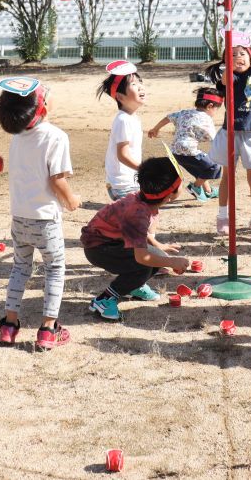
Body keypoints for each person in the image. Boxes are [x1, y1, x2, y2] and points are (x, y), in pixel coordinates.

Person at [0, 78, 81, 351]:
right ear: (40, 106)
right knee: (54, 270)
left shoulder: (17, 137)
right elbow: (57, 180)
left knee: (20, 268)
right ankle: (47, 329)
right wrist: (72, 200)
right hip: (46, 221)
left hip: (19, 218)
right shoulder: (56, 136)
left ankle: (9, 325)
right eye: (46, 92)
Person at [81, 157, 190, 320]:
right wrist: (173, 262)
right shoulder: (138, 214)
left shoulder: (144, 200)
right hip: (99, 248)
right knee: (147, 263)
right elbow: (143, 256)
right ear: (169, 195)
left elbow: (138, 234)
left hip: (111, 242)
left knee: (156, 256)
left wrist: (157, 245)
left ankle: (133, 286)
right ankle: (104, 299)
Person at [203, 31, 251, 242]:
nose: (238, 57)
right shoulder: (228, 77)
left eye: (242, 53)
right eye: (232, 55)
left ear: (250, 55)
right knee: (227, 176)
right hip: (229, 131)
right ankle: (223, 217)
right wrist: (228, 64)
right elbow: (224, 79)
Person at [146, 87, 223, 201]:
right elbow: (215, 139)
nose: (215, 113)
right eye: (216, 109)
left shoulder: (185, 112)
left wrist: (156, 128)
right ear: (210, 106)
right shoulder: (206, 119)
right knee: (213, 166)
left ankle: (208, 191)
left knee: (201, 171)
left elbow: (168, 117)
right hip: (189, 151)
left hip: (175, 153)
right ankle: (195, 187)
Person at [97, 61, 146, 201]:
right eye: (134, 84)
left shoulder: (132, 117)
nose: (140, 87)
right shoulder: (123, 120)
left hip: (131, 181)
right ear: (119, 96)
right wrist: (144, 169)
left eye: (140, 82)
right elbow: (122, 155)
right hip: (122, 185)